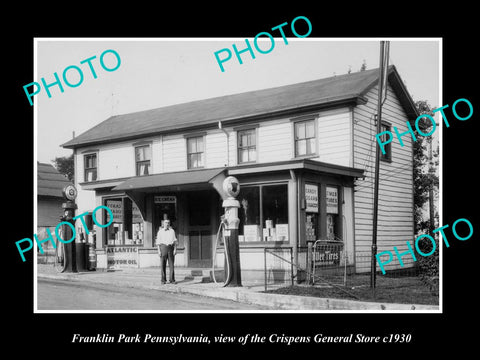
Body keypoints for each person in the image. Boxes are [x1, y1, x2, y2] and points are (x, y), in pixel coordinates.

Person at [156, 219, 178, 284]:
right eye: (166, 223)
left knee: (171, 264)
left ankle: (172, 279)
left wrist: (175, 249)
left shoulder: (172, 231)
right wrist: (159, 251)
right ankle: (163, 280)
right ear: (163, 224)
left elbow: (175, 241)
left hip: (170, 248)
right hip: (163, 248)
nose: (167, 224)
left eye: (168, 223)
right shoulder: (160, 232)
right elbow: (158, 242)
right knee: (163, 264)